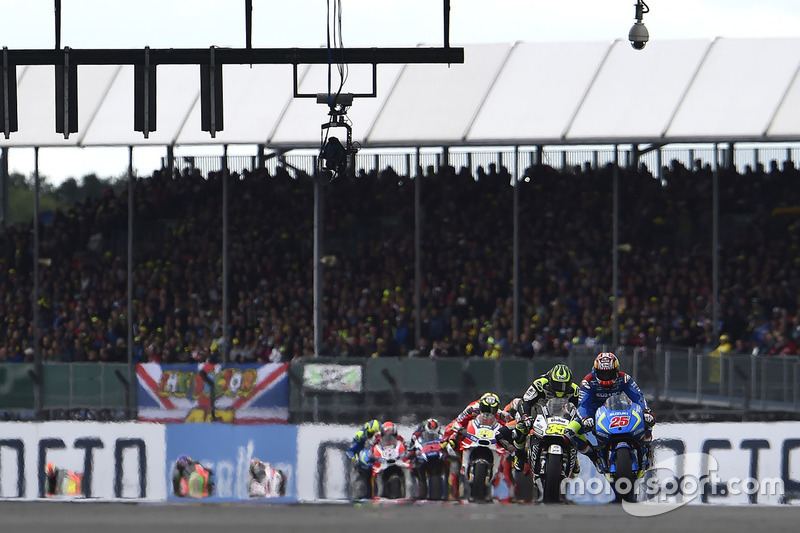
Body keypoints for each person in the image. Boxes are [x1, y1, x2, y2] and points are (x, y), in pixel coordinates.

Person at [497, 364, 584, 475]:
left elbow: (582, 408)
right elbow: (525, 402)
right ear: (551, 380)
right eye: (557, 384)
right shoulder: (540, 384)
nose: (561, 389)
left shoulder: (575, 390)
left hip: (563, 419)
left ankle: (573, 455)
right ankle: (518, 455)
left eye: (564, 385)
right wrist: (526, 417)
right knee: (514, 430)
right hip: (536, 416)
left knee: (578, 430)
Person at [578, 352, 656, 469]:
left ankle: (647, 449)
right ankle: (592, 455)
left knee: (647, 421)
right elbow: (583, 404)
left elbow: (638, 397)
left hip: (616, 408)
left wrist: (646, 411)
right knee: (572, 430)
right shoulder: (588, 382)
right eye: (602, 373)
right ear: (596, 370)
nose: (606, 376)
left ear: (616, 371)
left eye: (609, 373)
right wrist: (585, 418)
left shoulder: (624, 378)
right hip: (593, 413)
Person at [441, 393, 511, 498]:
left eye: (492, 409)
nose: (488, 411)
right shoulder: (472, 409)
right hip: (471, 433)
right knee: (452, 438)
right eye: (486, 408)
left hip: (490, 436)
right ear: (481, 405)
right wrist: (456, 431)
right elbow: (457, 421)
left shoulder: (501, 415)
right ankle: (455, 456)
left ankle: (496, 476)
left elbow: (510, 425)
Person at [346, 419, 381, 499]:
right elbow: (351, 451)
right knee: (360, 482)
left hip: (379, 463)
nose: (373, 437)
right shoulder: (360, 435)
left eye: (376, 435)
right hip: (363, 464)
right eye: (371, 434)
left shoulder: (384, 437)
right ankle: (359, 495)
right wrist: (355, 459)